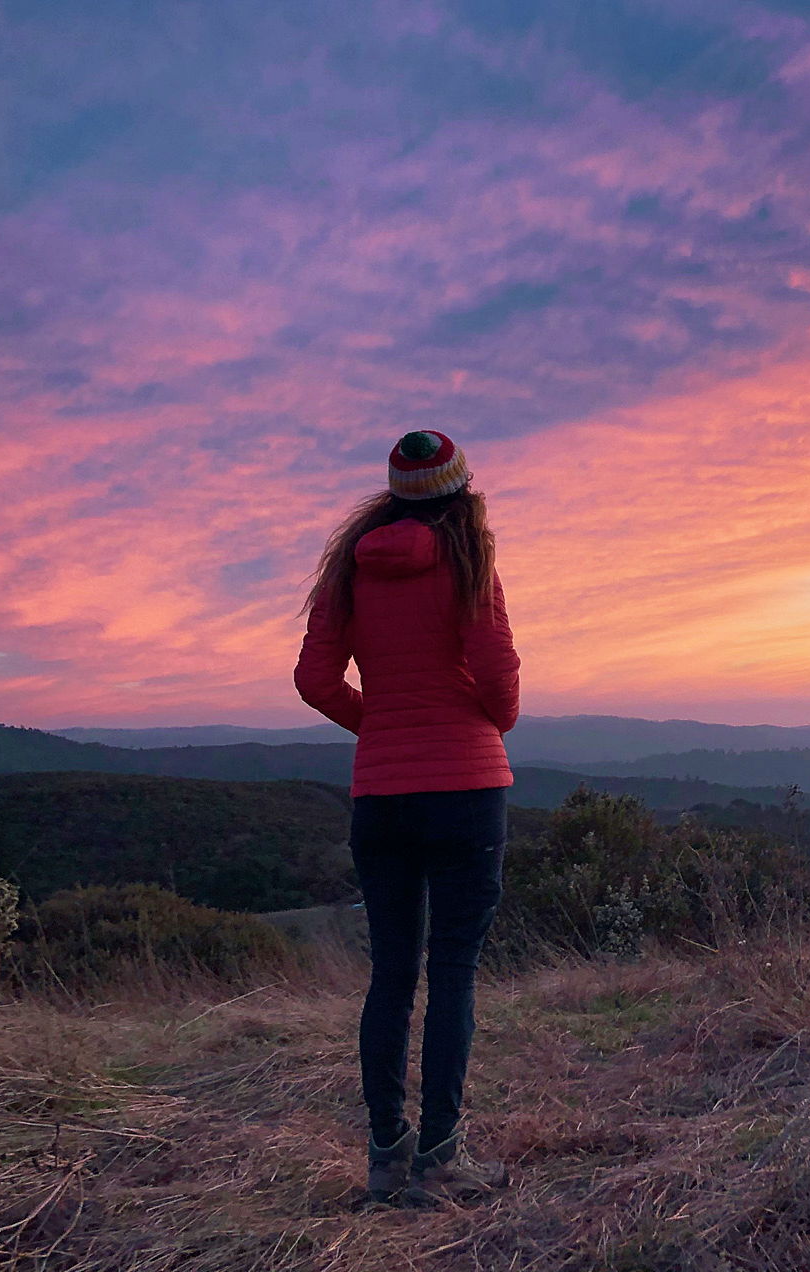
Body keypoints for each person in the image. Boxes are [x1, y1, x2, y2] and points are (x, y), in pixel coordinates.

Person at [295, 429, 520, 1207]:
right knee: (452, 973)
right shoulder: (469, 566)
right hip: (466, 787)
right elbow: (500, 685)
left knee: (391, 976)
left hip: (381, 797)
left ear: (391, 494)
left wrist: (382, 727)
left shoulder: (347, 573)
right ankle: (442, 1161)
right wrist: (477, 722)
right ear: (461, 493)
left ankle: (385, 1161)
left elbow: (314, 679)